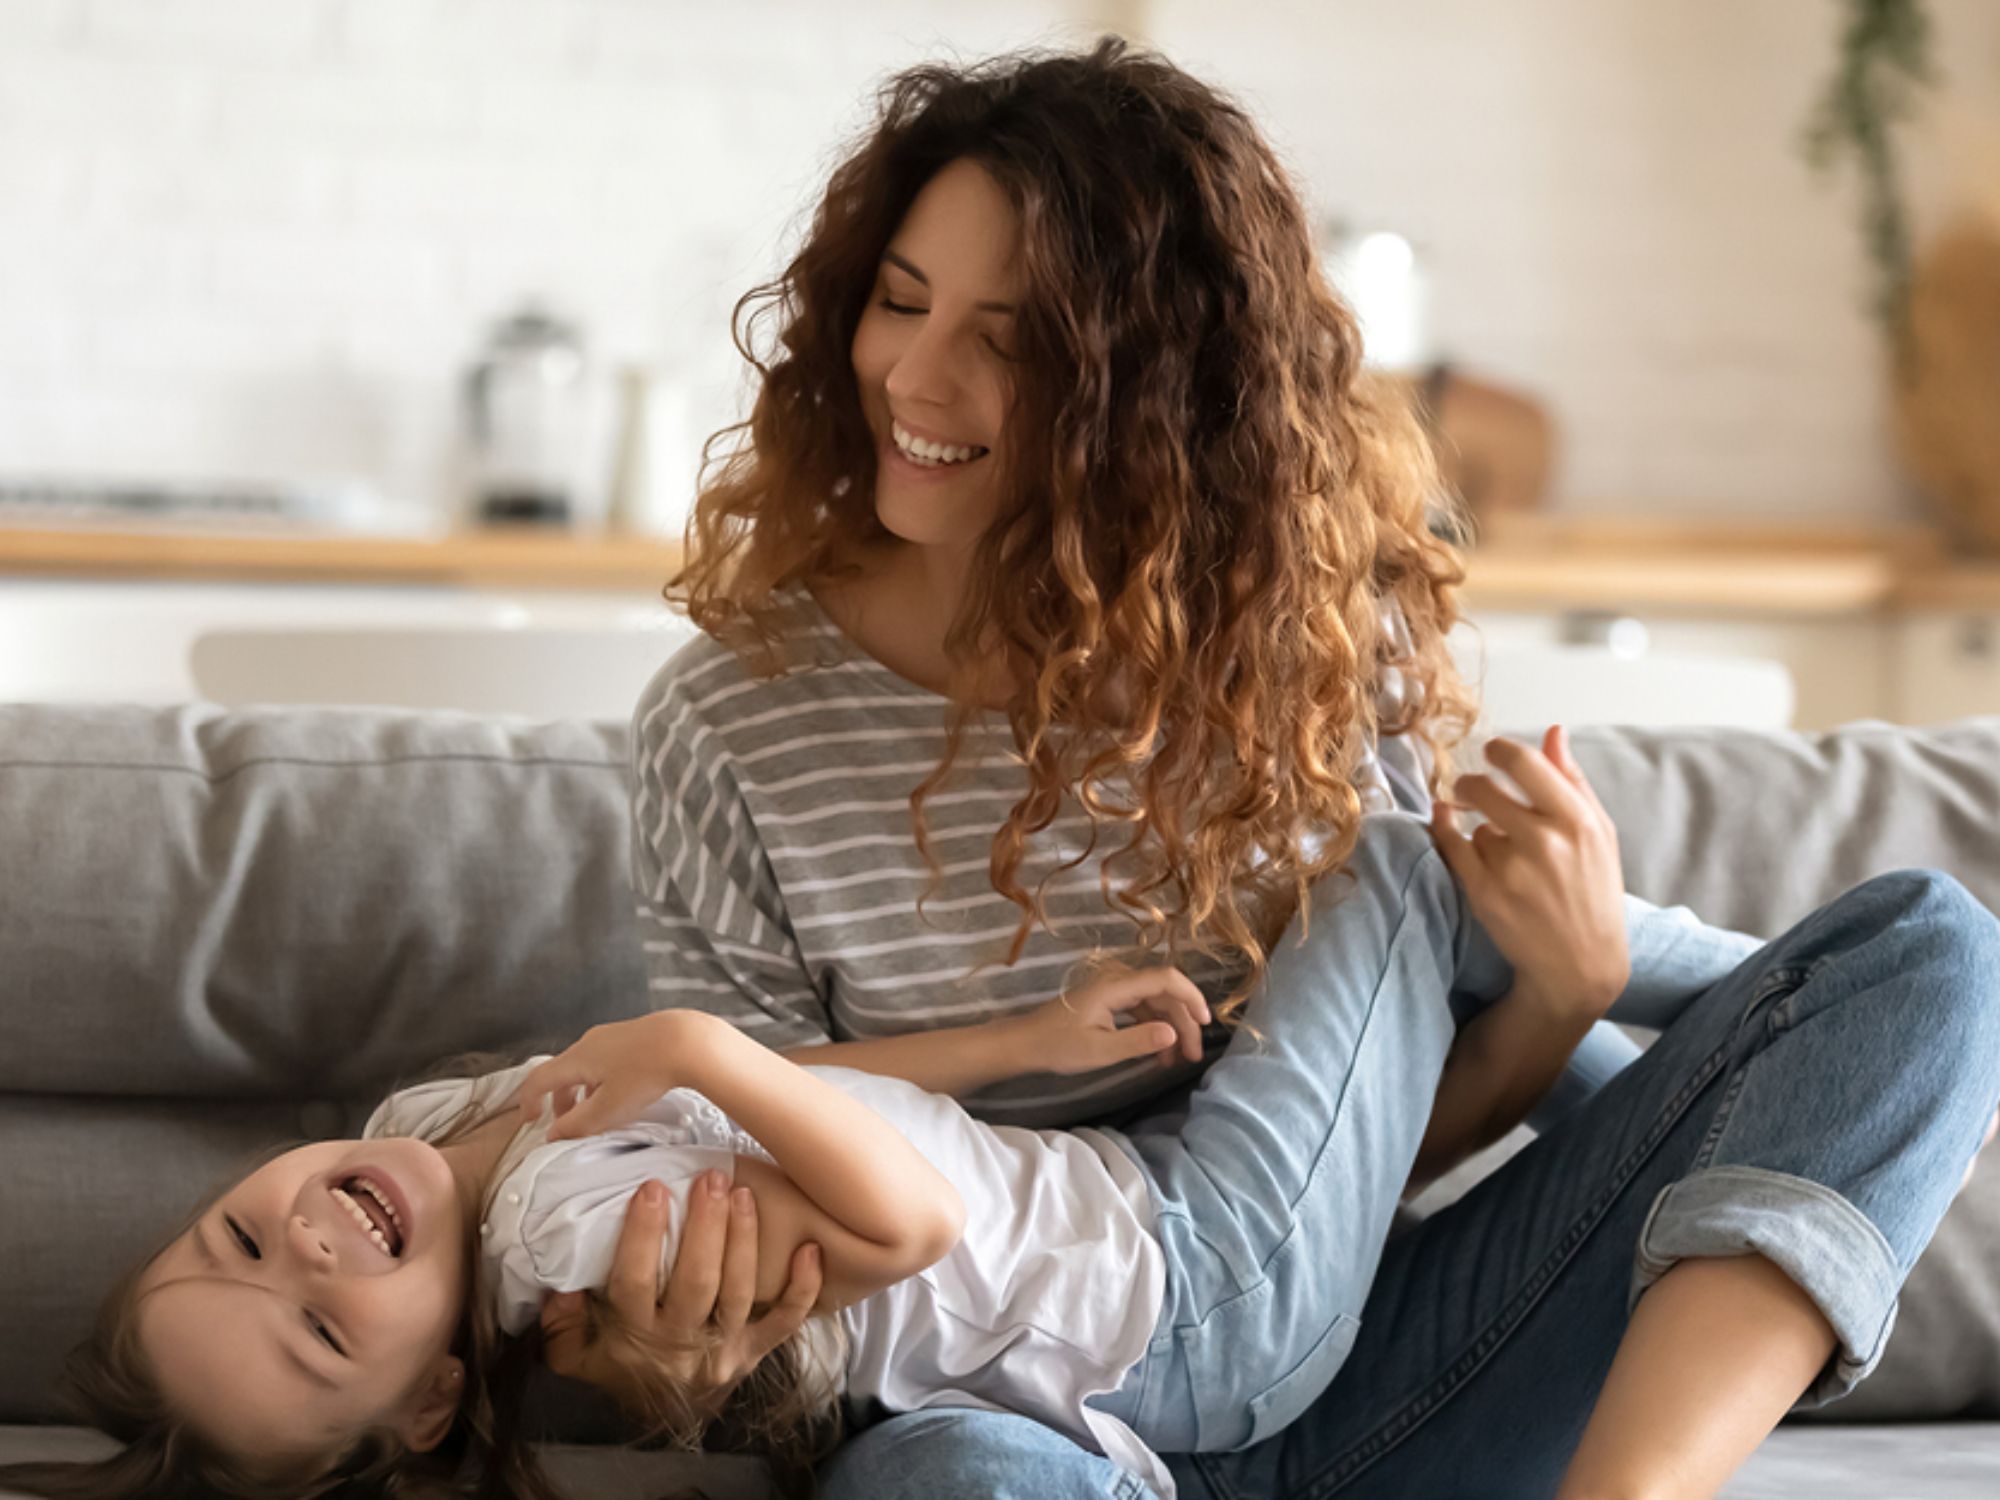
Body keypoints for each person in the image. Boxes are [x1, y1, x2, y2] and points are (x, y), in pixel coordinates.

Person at [542, 34, 2000, 1500]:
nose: (913, 376)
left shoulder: (1285, 646)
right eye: (900, 304)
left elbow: (1333, 1174)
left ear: (1155, 396)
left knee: (1940, 959)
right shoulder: (733, 726)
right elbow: (753, 1145)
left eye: (1004, 338)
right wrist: (683, 1334)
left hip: (1374, 1350)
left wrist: (1561, 1005)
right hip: (1001, 1415)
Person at [9, 733, 1991, 1500]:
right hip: (1139, 1343)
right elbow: (883, 1214)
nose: (305, 1242)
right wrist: (699, 1041)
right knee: (1398, 863)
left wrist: (1016, 1029)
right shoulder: (549, 1248)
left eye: (234, 1235)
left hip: (1308, 1330)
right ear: (431, 1403)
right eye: (321, 1325)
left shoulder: (443, 1117)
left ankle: (1776, 1023)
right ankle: (1762, 1005)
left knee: (1929, 951)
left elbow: (829, 1118)